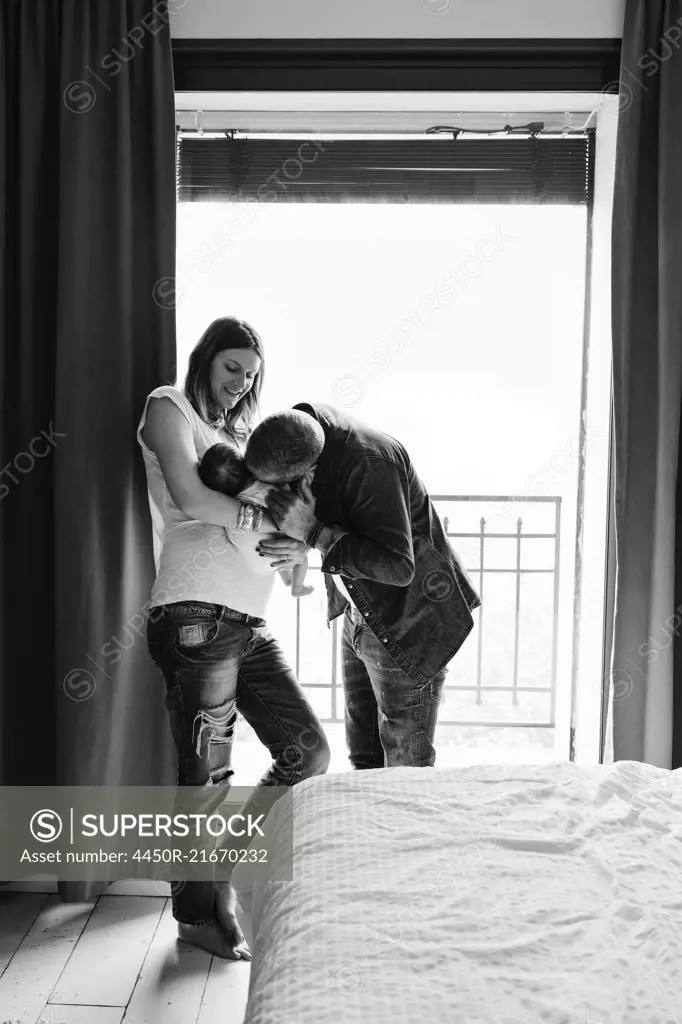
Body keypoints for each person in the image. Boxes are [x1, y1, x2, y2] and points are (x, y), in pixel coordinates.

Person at [137, 318, 330, 961]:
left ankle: (219, 871)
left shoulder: (246, 442)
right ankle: (198, 915)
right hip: (193, 611)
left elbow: (287, 535)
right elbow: (190, 496)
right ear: (205, 360)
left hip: (247, 620)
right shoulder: (170, 407)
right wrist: (264, 515)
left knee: (308, 751)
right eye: (231, 368)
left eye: (250, 374)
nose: (240, 382)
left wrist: (295, 544)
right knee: (206, 779)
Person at [246, 403, 481, 771]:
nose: (279, 500)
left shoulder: (369, 463)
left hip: (408, 620)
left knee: (405, 769)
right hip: (360, 614)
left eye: (281, 491)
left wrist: (312, 532)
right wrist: (307, 537)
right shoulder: (306, 434)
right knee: (365, 762)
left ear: (308, 472)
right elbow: (350, 517)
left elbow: (398, 566)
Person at [198, 442, 314, 598]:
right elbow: (289, 502)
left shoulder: (230, 506)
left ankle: (286, 579)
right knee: (299, 556)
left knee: (270, 550)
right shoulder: (267, 485)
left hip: (254, 562)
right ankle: (296, 586)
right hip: (280, 555)